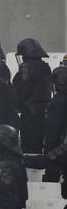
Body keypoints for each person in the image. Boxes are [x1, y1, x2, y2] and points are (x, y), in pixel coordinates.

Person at [12, 38, 51, 153]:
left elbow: (23, 90)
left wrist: (15, 104)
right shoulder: (45, 67)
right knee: (38, 144)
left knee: (28, 146)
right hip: (43, 111)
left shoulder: (27, 68)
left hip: (29, 111)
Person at [41, 66, 67, 197]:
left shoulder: (57, 102)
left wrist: (48, 148)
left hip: (57, 146)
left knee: (51, 178)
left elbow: (53, 128)